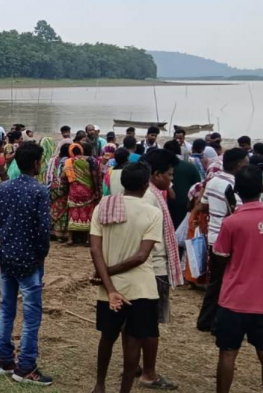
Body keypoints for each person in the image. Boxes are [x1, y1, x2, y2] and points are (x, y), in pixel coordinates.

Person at [0, 142, 53, 386]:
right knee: (31, 315)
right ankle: (26, 367)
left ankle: (4, 360)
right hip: (29, 260)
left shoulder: (4, 187)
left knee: (7, 308)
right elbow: (43, 231)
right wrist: (41, 254)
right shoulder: (40, 191)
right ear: (37, 163)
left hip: (7, 256)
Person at [213, 165, 263, 393]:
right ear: (261, 189)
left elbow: (219, 258)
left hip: (233, 299)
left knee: (228, 353)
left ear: (237, 191)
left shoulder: (232, 222)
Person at [89, 163, 163, 393]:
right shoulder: (153, 212)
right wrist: (107, 273)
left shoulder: (103, 206)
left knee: (107, 337)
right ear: (145, 184)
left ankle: (99, 385)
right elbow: (141, 256)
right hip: (141, 287)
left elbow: (95, 250)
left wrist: (105, 278)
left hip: (109, 288)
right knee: (133, 341)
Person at [137, 149, 183, 390]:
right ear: (155, 175)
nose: (171, 179)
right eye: (169, 174)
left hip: (150, 266)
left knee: (138, 320)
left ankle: (134, 363)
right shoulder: (149, 198)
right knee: (149, 323)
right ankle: (149, 373)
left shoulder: (152, 193)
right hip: (153, 267)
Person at [196, 148, 249, 332]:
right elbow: (239, 215)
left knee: (216, 281)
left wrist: (215, 213)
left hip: (213, 237)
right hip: (228, 240)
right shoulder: (235, 185)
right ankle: (218, 324)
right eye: (246, 161)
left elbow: (202, 205)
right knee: (229, 283)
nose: (248, 164)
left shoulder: (214, 180)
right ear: (239, 164)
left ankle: (205, 320)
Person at [64, 143, 101, 245]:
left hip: (74, 190)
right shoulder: (91, 161)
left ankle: (70, 238)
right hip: (88, 191)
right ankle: (88, 239)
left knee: (72, 212)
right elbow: (95, 177)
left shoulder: (69, 161)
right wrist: (97, 190)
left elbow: (64, 175)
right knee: (89, 212)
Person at [164, 141, 202, 229]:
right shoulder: (190, 167)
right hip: (184, 204)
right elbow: (197, 187)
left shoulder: (162, 166)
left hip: (165, 203)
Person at [49, 144, 71, 242]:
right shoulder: (68, 162)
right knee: (63, 211)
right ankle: (61, 233)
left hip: (53, 186)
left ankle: (52, 231)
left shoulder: (53, 160)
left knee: (53, 208)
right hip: (62, 187)